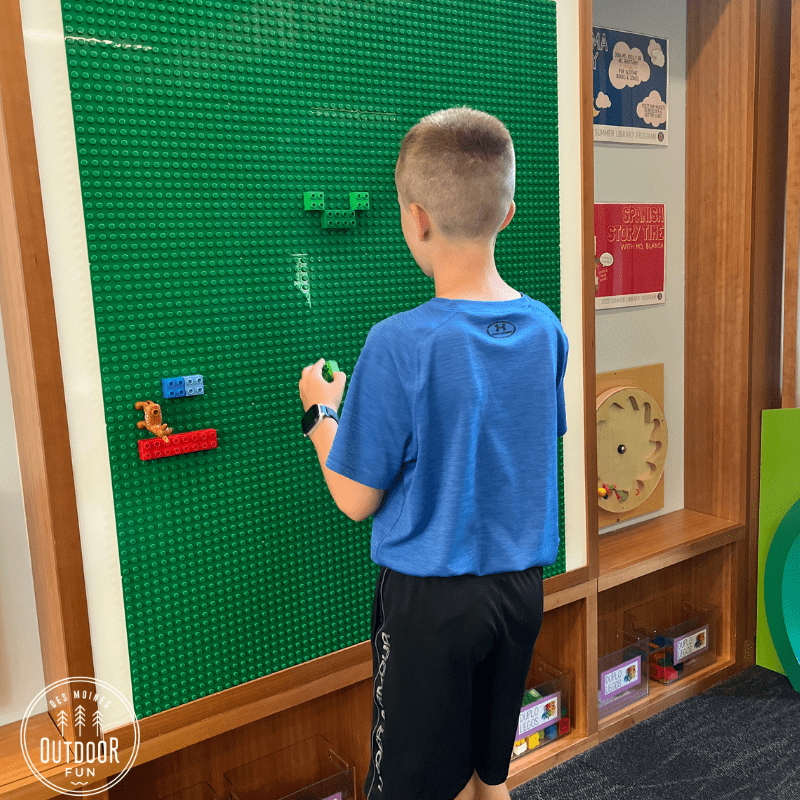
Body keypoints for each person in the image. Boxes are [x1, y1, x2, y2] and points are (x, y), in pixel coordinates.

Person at [297, 106, 569, 800]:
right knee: (488, 774)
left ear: (414, 217)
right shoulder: (545, 330)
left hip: (430, 606)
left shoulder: (400, 343)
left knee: (414, 787)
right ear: (508, 212)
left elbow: (355, 497)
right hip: (519, 594)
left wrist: (321, 412)